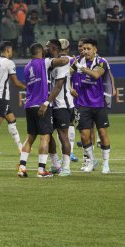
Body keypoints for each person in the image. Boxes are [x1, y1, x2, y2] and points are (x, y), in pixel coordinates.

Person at [18, 43, 69, 178]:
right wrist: (71, 59)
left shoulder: (27, 67)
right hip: (42, 106)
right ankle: (41, 170)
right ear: (40, 52)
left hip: (29, 105)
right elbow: (63, 61)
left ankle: (22, 167)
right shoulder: (44, 62)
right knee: (45, 137)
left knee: (30, 137)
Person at [71, 38, 112, 174]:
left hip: (99, 104)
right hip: (82, 104)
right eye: (84, 49)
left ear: (95, 50)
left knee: (102, 133)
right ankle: (92, 160)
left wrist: (80, 67)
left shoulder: (101, 62)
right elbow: (66, 75)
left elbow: (96, 75)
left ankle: (106, 164)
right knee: (84, 135)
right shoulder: (77, 61)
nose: (85, 51)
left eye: (88, 49)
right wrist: (68, 88)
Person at [44, 39, 75, 176]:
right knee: (47, 135)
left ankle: (66, 167)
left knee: (63, 136)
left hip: (62, 104)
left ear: (55, 48)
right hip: (51, 105)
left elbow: (58, 86)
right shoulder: (49, 62)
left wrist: (46, 102)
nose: (45, 48)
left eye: (47, 46)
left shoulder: (63, 62)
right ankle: (56, 164)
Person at [59, 38, 79, 163]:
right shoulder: (70, 60)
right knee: (66, 126)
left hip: (66, 98)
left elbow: (68, 77)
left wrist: (70, 88)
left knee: (66, 126)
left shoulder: (55, 60)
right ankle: (67, 153)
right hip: (63, 98)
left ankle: (69, 152)